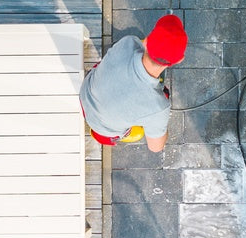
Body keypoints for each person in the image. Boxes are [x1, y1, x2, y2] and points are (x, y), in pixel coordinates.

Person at [79, 14, 187, 152]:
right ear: (179, 60)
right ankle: (105, 138)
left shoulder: (128, 43)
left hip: (85, 93)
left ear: (146, 41)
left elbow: (138, 46)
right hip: (102, 129)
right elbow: (156, 147)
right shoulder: (158, 108)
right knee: (139, 133)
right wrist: (161, 127)